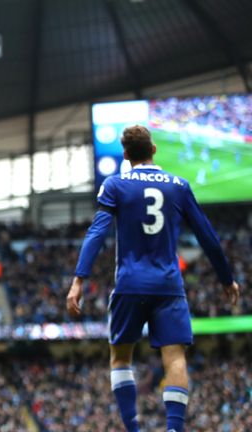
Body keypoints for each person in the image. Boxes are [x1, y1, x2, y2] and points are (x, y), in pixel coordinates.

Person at [66, 125, 240, 432]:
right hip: (168, 285)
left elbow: (97, 233)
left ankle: (133, 428)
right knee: (174, 359)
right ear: (154, 149)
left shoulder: (115, 185)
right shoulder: (178, 186)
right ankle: (174, 429)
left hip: (130, 283)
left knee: (120, 358)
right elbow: (207, 236)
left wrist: (79, 279)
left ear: (126, 155)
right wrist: (226, 278)